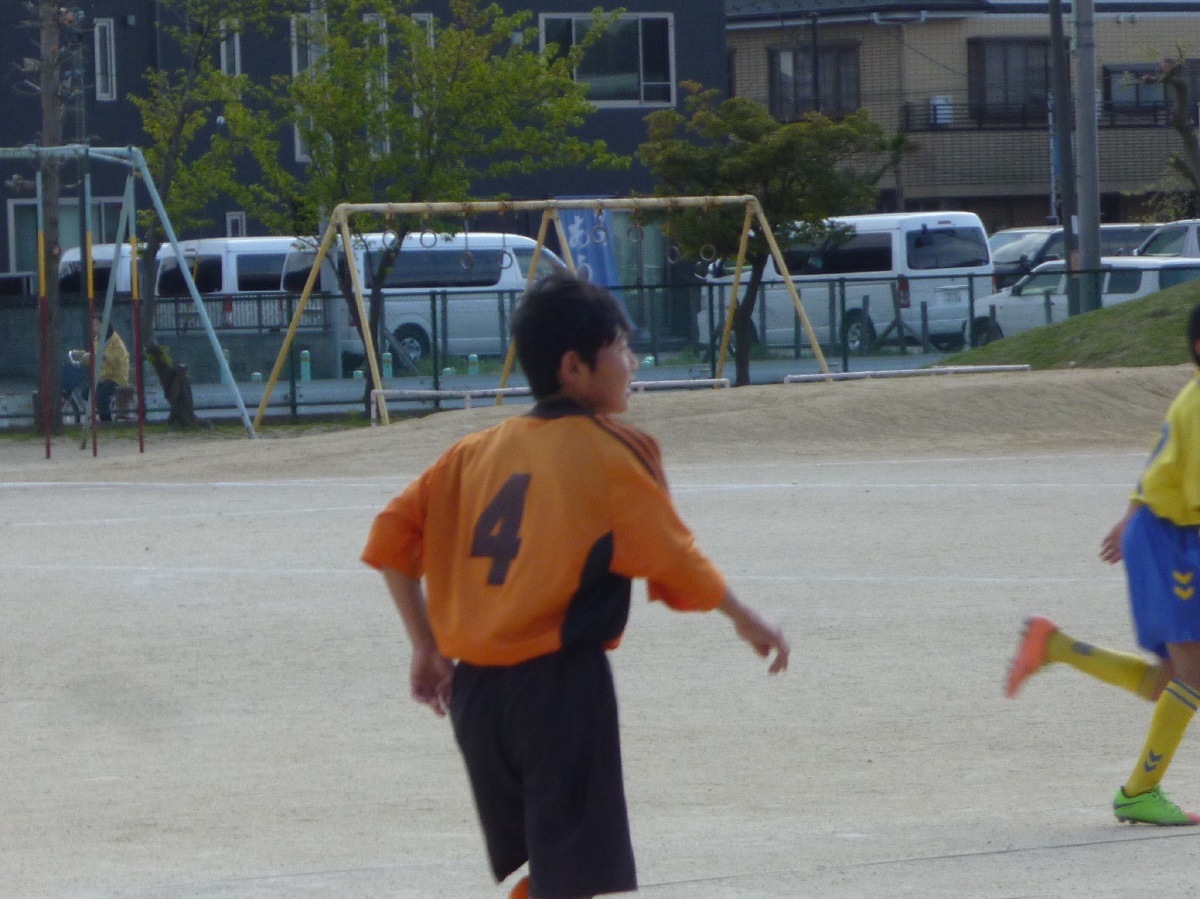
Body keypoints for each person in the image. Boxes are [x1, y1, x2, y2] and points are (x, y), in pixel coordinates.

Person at [361, 273, 789, 899]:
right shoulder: (610, 451)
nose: (631, 362)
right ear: (573, 368)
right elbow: (675, 558)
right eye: (620, 347)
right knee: (571, 878)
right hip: (557, 689)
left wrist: (424, 645)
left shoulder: (470, 453)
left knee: (552, 872)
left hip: (477, 697)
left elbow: (391, 537)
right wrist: (747, 618)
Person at [1006, 301, 1200, 827]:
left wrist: (1131, 515)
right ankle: (1139, 791)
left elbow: (1159, 465)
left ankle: (1055, 645)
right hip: (1172, 541)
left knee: (1172, 681)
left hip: (1163, 533)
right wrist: (1137, 522)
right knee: (1191, 676)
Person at [79, 312, 130, 422]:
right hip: (103, 378)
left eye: (96, 325)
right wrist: (82, 356)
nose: (93, 328)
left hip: (116, 378)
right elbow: (95, 358)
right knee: (86, 393)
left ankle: (106, 422)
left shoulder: (116, 341)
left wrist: (104, 356)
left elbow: (118, 360)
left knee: (100, 397)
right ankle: (99, 415)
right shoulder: (97, 340)